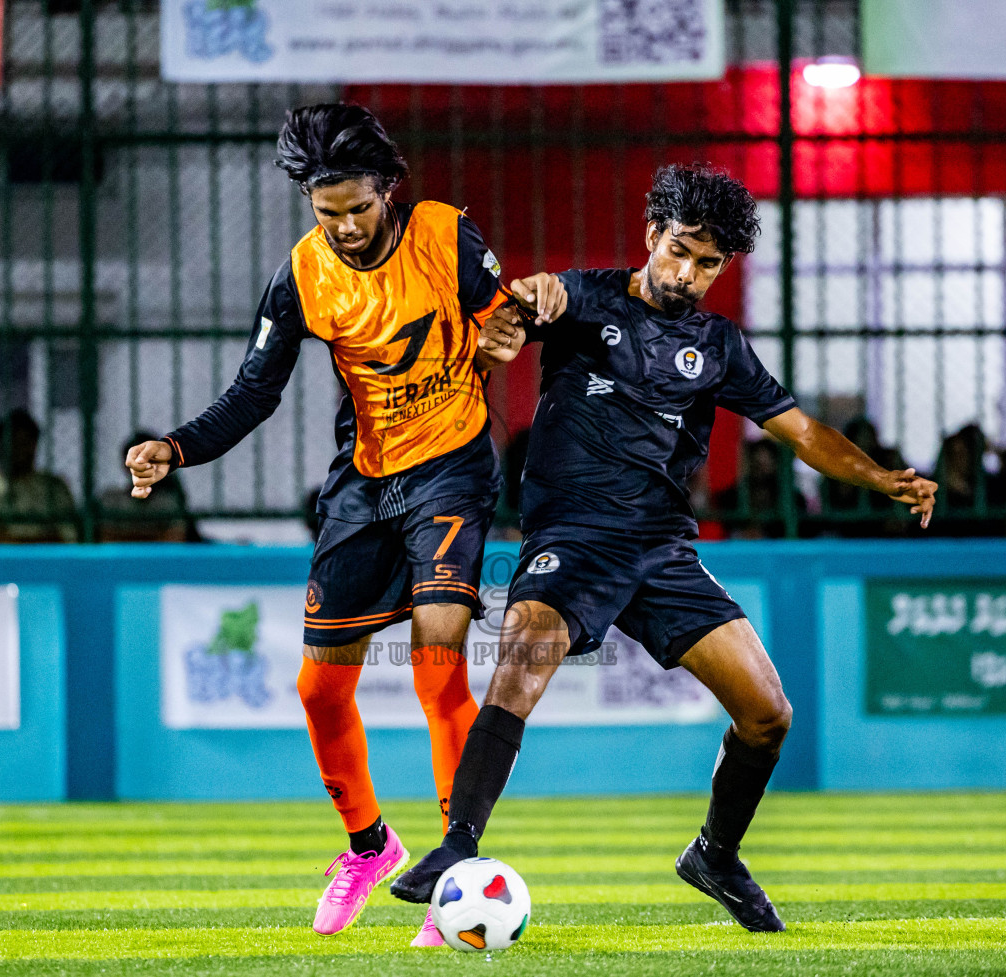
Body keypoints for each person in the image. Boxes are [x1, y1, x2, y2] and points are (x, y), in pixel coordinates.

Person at [390, 163, 938, 932]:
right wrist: (516, 314)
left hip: (660, 549)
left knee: (769, 714)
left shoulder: (718, 346)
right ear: (652, 235)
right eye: (679, 250)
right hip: (572, 538)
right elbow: (523, 305)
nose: (688, 273)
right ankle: (457, 844)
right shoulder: (589, 299)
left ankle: (715, 853)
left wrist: (884, 478)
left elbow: (805, 434)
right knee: (520, 662)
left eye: (708, 262)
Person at [124, 103, 524, 944]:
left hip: (451, 470)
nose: (343, 226)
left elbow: (506, 315)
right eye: (325, 210)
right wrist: (175, 448)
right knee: (318, 687)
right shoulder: (302, 274)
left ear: (388, 189)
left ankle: (454, 866)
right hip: (364, 485)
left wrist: (502, 336)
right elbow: (252, 393)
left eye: (356, 207)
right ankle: (370, 846)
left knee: (438, 661)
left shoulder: (445, 234)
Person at [0, 410, 78, 543]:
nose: (17, 450)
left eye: (22, 443)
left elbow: (68, 537)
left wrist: (11, 540)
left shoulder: (53, 488)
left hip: (46, 562)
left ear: (34, 445)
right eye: (10, 443)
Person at [99, 431, 194, 542]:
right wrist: (153, 537)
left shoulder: (168, 501)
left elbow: (175, 539)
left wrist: (126, 537)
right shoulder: (113, 500)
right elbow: (106, 538)